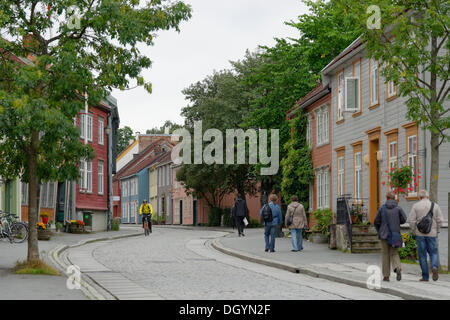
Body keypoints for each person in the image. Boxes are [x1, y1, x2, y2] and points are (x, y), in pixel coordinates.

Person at [408, 190, 444, 282]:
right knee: (433, 253)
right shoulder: (435, 206)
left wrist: (414, 231)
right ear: (428, 197)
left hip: (420, 234)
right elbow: (440, 220)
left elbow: (411, 221)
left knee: (422, 255)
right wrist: (437, 231)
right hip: (432, 233)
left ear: (419, 197)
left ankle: (425, 277)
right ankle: (434, 267)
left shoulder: (415, 206)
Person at [374, 191, 407, 282]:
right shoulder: (398, 208)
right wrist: (397, 222)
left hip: (384, 235)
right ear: (394, 198)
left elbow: (376, 221)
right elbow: (404, 219)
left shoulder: (382, 208)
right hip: (395, 235)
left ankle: (386, 276)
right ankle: (397, 268)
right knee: (394, 253)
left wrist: (379, 230)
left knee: (385, 254)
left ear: (387, 198)